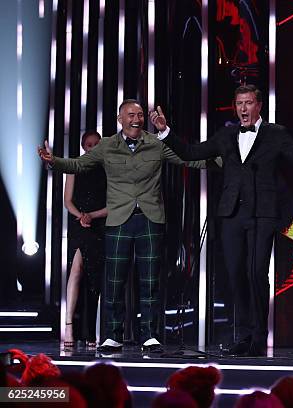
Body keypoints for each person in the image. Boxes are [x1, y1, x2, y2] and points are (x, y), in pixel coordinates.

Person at [159, 84, 293, 356]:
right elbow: (191, 152)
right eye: (239, 103)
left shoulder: (276, 134)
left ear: (259, 105)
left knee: (256, 274)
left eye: (248, 103)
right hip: (231, 214)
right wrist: (166, 132)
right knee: (235, 275)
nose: (243, 109)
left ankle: (258, 337)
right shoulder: (226, 134)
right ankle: (244, 334)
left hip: (263, 215)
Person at [38, 100, 208, 353]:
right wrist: (53, 162)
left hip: (150, 218)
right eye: (131, 115)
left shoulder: (157, 143)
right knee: (114, 281)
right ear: (120, 119)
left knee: (149, 280)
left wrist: (224, 157)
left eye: (140, 114)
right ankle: (112, 335)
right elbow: (77, 165)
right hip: (118, 219)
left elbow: (189, 159)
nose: (136, 119)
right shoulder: (107, 146)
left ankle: (150, 334)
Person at [63, 131, 107, 349]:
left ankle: (90, 330)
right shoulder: (75, 166)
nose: (93, 148)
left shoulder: (109, 169)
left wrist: (94, 215)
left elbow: (115, 203)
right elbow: (67, 200)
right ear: (83, 147)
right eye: (89, 145)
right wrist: (81, 216)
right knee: (76, 269)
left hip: (99, 224)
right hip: (79, 224)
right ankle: (69, 324)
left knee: (94, 278)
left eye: (96, 144)